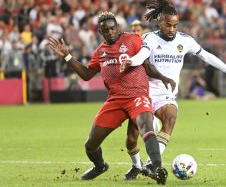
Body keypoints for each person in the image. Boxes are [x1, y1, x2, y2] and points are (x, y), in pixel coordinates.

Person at [120, 0, 226, 180]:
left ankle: (150, 165)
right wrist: (131, 60)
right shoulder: (149, 38)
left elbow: (207, 55)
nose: (172, 29)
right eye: (168, 25)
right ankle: (136, 165)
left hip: (166, 93)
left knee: (171, 117)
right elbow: (141, 56)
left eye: (175, 25)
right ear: (159, 22)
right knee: (132, 137)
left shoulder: (185, 41)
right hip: (144, 91)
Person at [47, 11, 168, 185]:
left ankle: (157, 168)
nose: (110, 32)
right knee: (90, 145)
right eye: (106, 30)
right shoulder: (100, 52)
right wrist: (67, 56)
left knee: (146, 127)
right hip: (115, 101)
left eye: (112, 28)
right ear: (101, 32)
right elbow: (87, 75)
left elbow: (147, 62)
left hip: (137, 96)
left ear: (117, 27)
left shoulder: (133, 39)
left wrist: (163, 77)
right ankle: (100, 166)